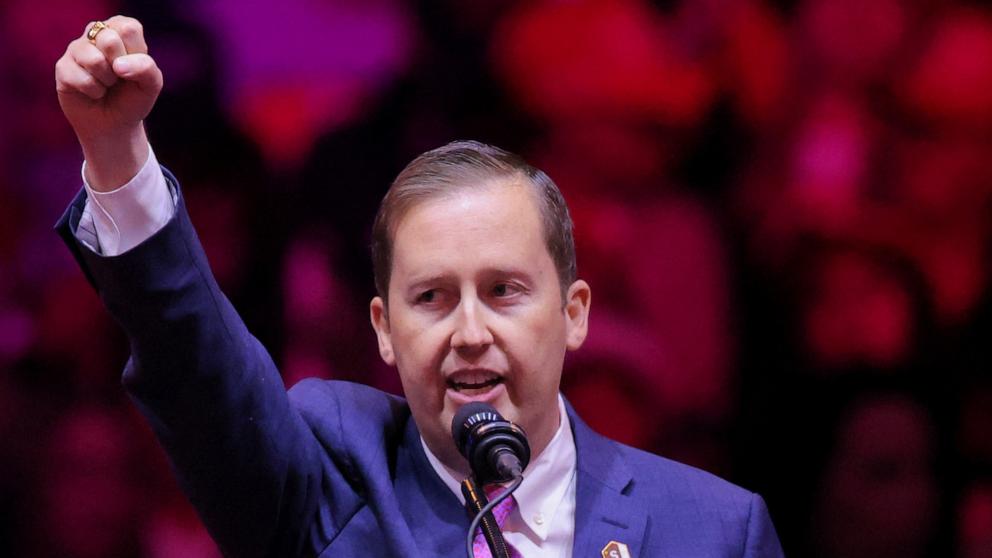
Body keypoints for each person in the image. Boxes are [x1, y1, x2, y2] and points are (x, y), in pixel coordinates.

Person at [53, 16, 785, 557]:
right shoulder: (333, 487)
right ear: (382, 328)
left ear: (574, 313)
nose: (470, 332)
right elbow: (199, 367)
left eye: (504, 291)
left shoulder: (716, 529)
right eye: (431, 297)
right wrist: (119, 157)